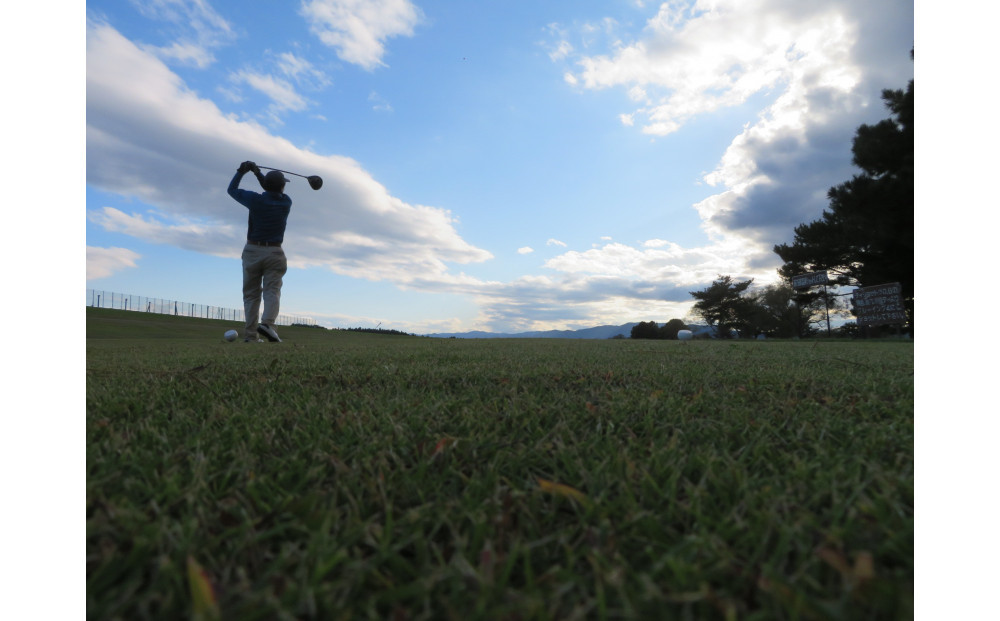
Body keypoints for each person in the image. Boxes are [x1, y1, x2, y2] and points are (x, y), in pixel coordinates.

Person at [228, 161, 292, 343]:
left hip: (252, 250)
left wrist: (242, 171)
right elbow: (270, 188)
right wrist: (258, 174)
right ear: (282, 186)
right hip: (275, 252)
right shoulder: (286, 202)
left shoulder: (255, 200)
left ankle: (250, 336)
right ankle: (268, 324)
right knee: (272, 291)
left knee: (251, 295)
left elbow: (232, 189)